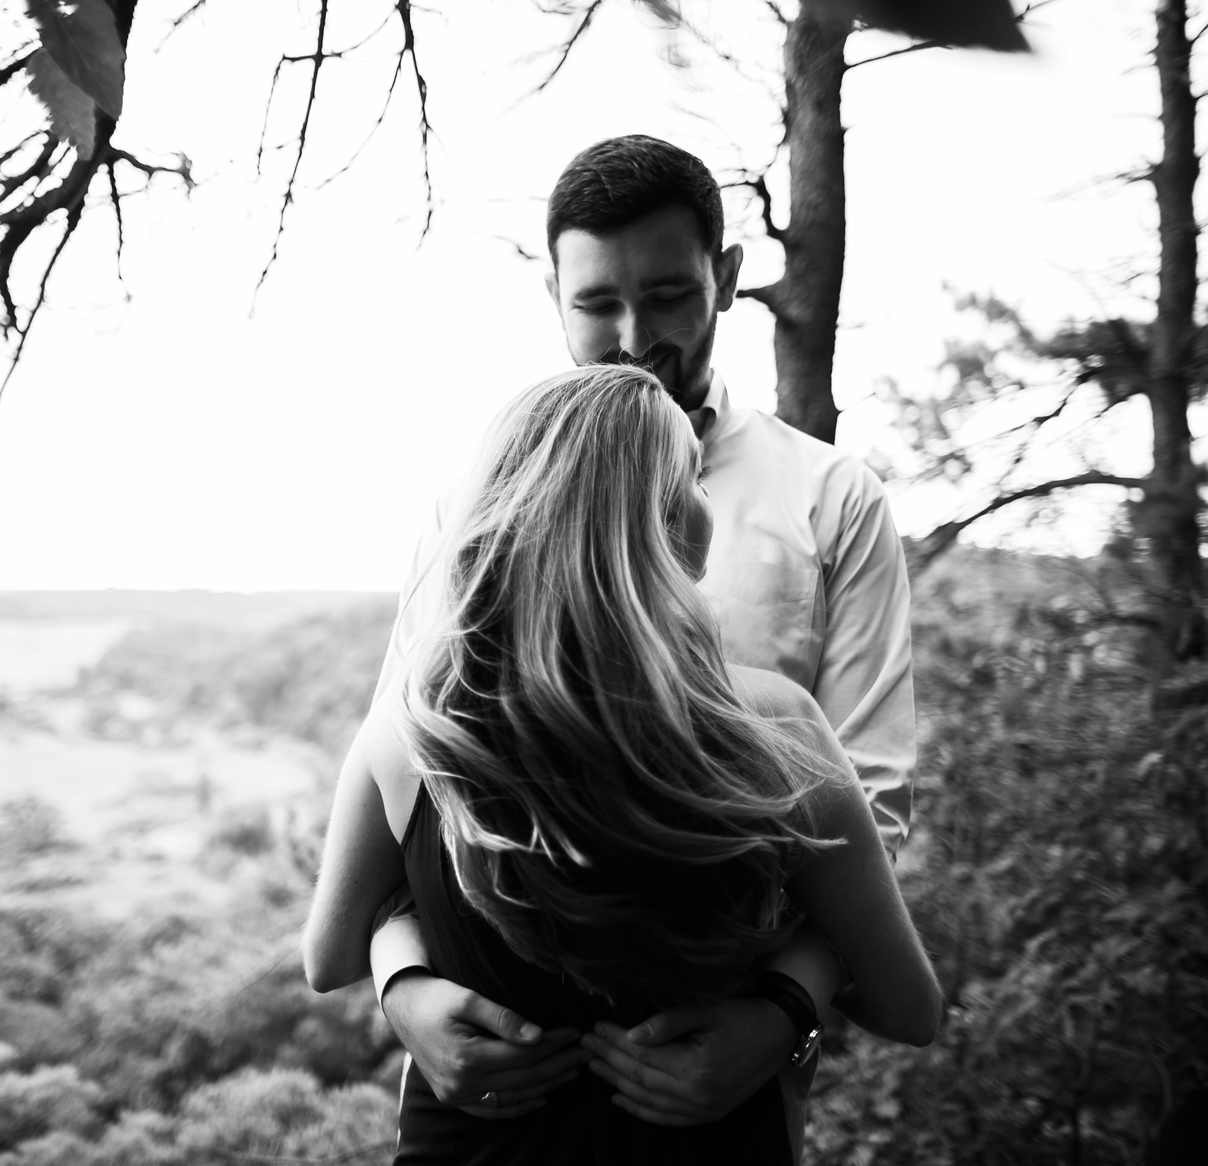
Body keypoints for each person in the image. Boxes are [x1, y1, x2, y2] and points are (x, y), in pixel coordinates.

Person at [366, 134, 918, 1153]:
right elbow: (418, 773)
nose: (632, 337)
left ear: (726, 277)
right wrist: (400, 983)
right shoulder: (475, 502)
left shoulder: (829, 498)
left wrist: (782, 1010)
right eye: (595, 303)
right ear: (553, 292)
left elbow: (869, 803)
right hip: (499, 1091)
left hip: (717, 1083)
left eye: (667, 296)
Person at [303, 366, 940, 1163]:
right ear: (669, 521)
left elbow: (328, 957)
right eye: (692, 481)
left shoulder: (417, 729)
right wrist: (786, 1010)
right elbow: (909, 1008)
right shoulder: (778, 731)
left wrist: (402, 977)